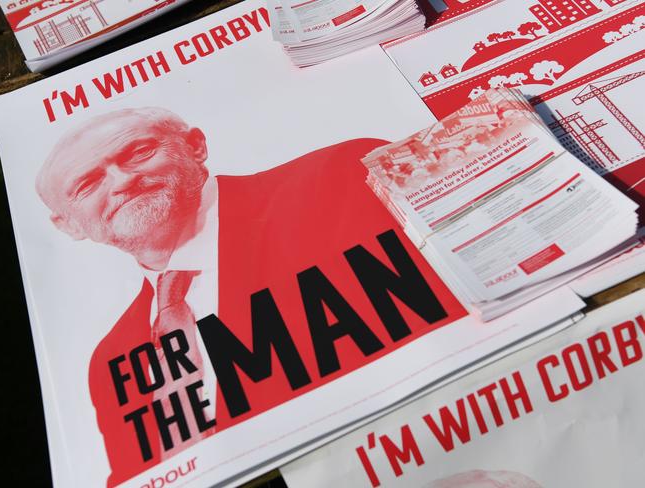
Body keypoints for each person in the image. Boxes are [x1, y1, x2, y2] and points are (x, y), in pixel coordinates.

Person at [36, 107, 465, 487]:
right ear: (68, 225)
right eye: (88, 184)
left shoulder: (341, 178)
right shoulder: (112, 360)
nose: (123, 181)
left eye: (138, 153)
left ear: (195, 146)